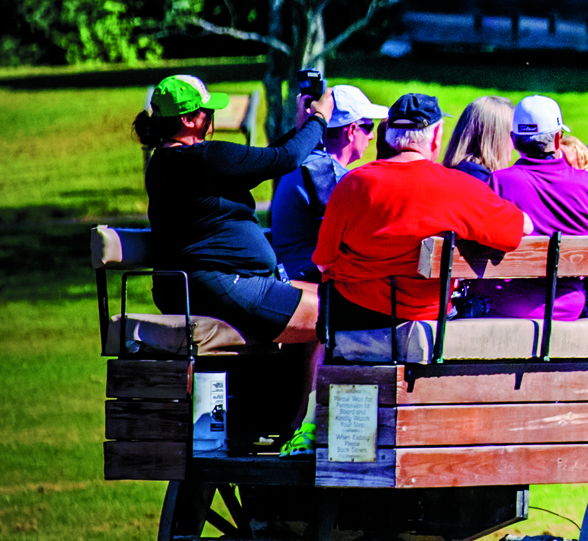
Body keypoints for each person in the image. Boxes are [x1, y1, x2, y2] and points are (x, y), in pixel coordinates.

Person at [312, 94, 530, 337]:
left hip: (354, 318)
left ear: (387, 134)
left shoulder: (352, 184)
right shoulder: (460, 187)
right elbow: (516, 231)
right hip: (427, 320)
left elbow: (323, 262)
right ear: (436, 137)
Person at [137, 72, 329, 344]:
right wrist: (319, 120)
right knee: (337, 314)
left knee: (329, 299)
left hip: (197, 286)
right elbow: (286, 159)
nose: (211, 116)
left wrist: (302, 129)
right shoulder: (205, 158)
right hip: (224, 285)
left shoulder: (163, 162)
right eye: (207, 111)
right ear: (189, 119)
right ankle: (310, 388)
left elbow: (265, 162)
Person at [479, 96, 588, 320]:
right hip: (568, 302)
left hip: (508, 302)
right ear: (559, 139)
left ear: (513, 139)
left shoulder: (498, 183)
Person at [266, 84, 382, 281]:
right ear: (352, 130)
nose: (372, 135)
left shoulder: (309, 162)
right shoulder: (323, 173)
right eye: (368, 127)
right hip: (309, 281)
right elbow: (359, 239)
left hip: (294, 275)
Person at [440, 94, 515, 182]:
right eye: (511, 133)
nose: (514, 140)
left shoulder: (460, 170)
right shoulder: (480, 180)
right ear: (494, 138)